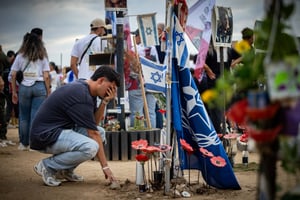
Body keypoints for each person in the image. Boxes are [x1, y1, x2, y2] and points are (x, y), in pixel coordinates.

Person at [30, 66, 120, 187]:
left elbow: (93, 124)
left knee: (101, 132)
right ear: (101, 81)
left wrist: (104, 102)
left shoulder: (87, 89)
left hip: (59, 131)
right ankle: (47, 166)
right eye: (111, 88)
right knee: (91, 146)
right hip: (45, 136)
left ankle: (66, 171)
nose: (112, 93)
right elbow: (93, 133)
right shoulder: (81, 94)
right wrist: (105, 167)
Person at [10, 28, 51, 151]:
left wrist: (14, 91)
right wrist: (48, 91)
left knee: (23, 117)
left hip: (24, 87)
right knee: (35, 116)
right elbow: (46, 75)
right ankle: (33, 144)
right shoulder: (42, 55)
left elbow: (12, 74)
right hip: (39, 87)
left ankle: (23, 143)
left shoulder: (20, 56)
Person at [128, 29, 158, 128]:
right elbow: (156, 65)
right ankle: (152, 138)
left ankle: (138, 139)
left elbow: (130, 69)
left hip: (136, 84)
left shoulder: (132, 50)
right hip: (152, 82)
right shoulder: (152, 48)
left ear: (139, 36)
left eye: (135, 36)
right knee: (151, 113)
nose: (134, 39)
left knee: (137, 114)